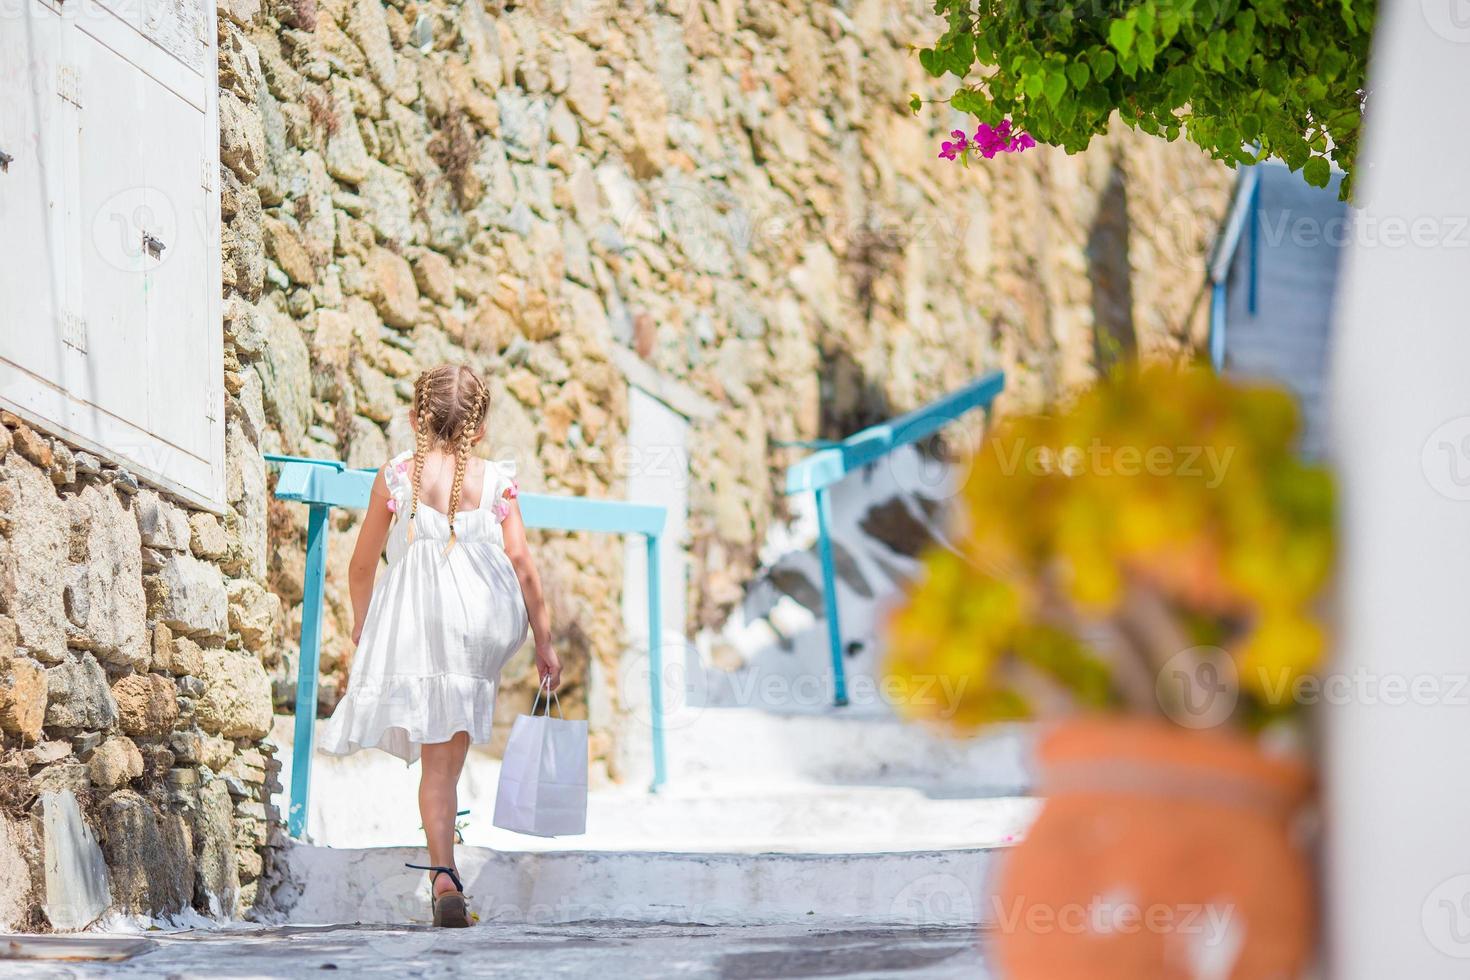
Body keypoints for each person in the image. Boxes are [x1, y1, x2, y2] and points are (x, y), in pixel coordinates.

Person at [320, 363, 561, 928]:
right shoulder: (497, 480)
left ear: (414, 417)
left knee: (435, 768)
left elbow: (361, 566)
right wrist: (544, 642)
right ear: (478, 428)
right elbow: (523, 564)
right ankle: (447, 847)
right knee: (447, 763)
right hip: (479, 629)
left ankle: (444, 874)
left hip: (419, 629)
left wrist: (364, 623)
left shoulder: (397, 477)